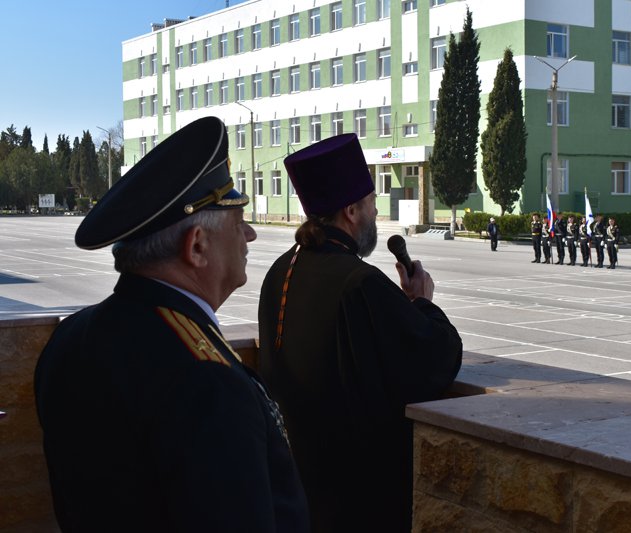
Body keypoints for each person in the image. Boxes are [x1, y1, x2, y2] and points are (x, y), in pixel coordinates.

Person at [34, 117, 310, 532]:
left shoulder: (71, 337)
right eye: (238, 223)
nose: (250, 235)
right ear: (197, 245)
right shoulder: (207, 382)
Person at [257, 134, 463, 533]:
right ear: (351, 210)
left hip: (299, 490)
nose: (374, 212)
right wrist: (421, 302)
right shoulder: (358, 282)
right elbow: (435, 358)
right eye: (371, 203)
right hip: (354, 502)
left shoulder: (280, 271)